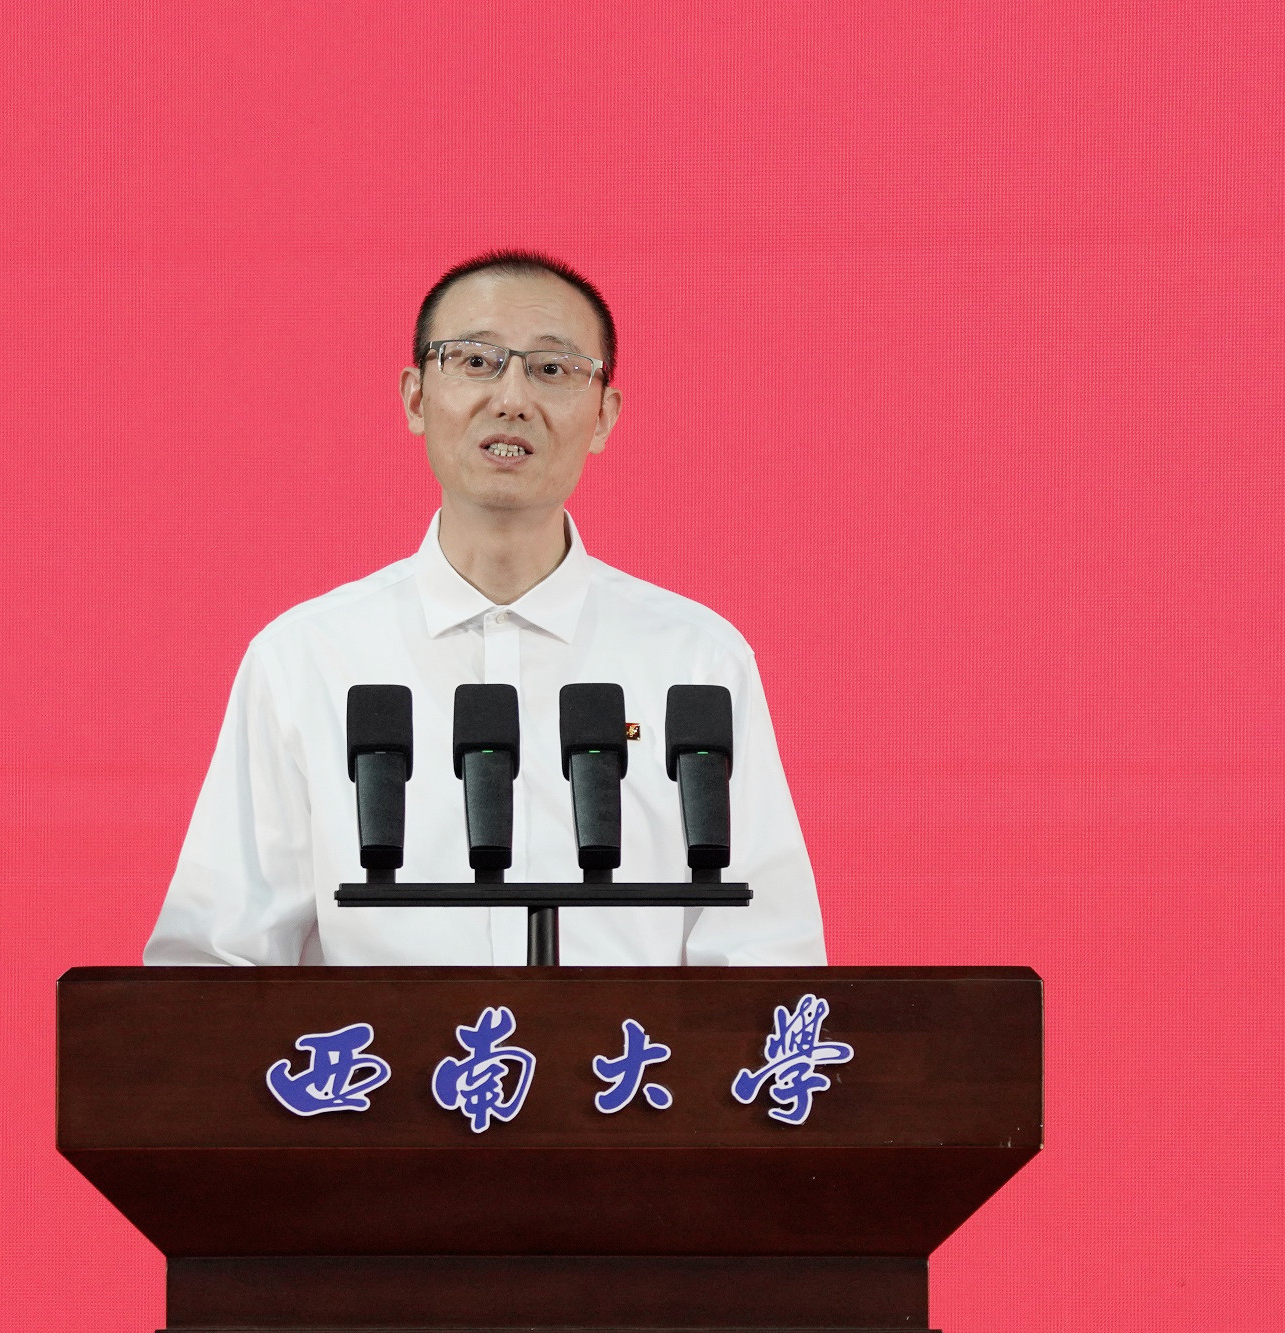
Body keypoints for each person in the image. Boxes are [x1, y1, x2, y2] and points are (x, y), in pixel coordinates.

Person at [144, 251, 825, 966]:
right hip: (388, 1046)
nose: (512, 398)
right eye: (475, 361)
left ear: (603, 416)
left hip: (625, 1046)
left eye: (553, 369)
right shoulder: (306, 659)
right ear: (415, 398)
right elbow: (213, 964)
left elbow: (768, 959)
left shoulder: (698, 662)